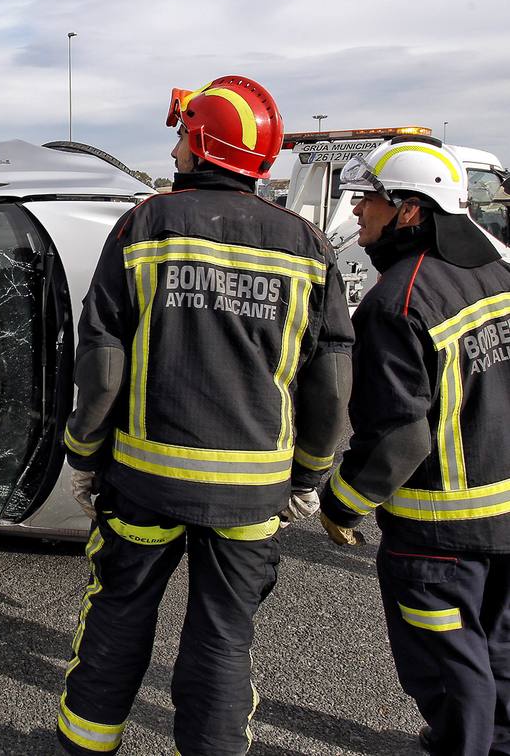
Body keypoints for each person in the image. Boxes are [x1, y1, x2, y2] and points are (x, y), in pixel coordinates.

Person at [56, 77, 354, 756]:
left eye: (181, 134)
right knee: (222, 639)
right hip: (252, 494)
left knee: (119, 618)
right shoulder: (307, 246)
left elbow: (103, 363)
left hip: (144, 482)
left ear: (197, 142)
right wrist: (309, 474)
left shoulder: (145, 224)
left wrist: (84, 452)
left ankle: (82, 747)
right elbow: (332, 382)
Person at [319, 137, 510, 756]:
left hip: (441, 535)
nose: (355, 214)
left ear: (409, 210)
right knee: (500, 655)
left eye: (368, 201)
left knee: (452, 674)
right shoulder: (498, 272)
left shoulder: (399, 300)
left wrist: (341, 504)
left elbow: (399, 435)